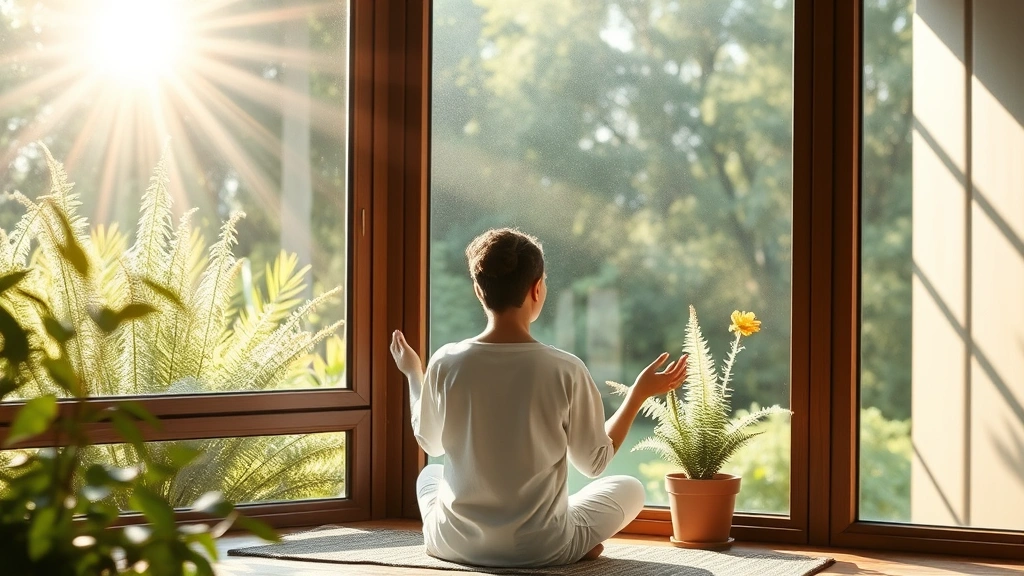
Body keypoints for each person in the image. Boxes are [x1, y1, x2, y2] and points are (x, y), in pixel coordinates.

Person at [390, 228, 687, 568]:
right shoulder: (565, 369)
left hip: (453, 544)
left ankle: (569, 539)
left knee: (429, 475)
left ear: (478, 290)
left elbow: (430, 444)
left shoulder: (445, 361)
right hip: (541, 549)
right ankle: (577, 544)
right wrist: (637, 395)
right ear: (536, 289)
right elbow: (594, 463)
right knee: (631, 488)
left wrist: (415, 374)